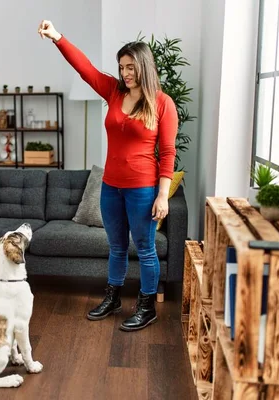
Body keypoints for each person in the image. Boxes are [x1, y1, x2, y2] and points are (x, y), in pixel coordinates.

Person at [38, 20, 178, 332]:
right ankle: (113, 298)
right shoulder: (114, 92)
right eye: (122, 67)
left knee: (145, 248)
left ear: (143, 66)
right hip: (111, 187)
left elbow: (167, 152)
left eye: (131, 67)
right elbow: (84, 68)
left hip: (143, 188)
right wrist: (57, 37)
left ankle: (146, 306)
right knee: (115, 246)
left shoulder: (163, 103)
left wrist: (162, 195)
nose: (125, 73)